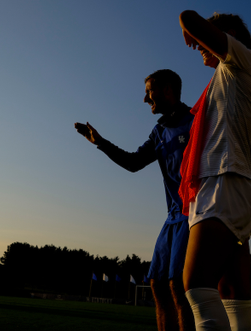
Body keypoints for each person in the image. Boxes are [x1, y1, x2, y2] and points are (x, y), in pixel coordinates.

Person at [75, 69, 195, 331]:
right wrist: (100, 142)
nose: (144, 99)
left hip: (195, 213)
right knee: (157, 284)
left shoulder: (196, 120)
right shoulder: (159, 131)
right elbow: (133, 163)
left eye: (149, 92)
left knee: (178, 284)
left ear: (167, 90)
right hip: (173, 216)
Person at [178, 10, 251, 331]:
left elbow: (188, 17)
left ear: (228, 35)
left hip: (223, 184)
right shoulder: (233, 78)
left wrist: (193, 27)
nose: (200, 46)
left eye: (207, 39)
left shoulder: (241, 60)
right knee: (233, 295)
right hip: (232, 185)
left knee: (197, 286)